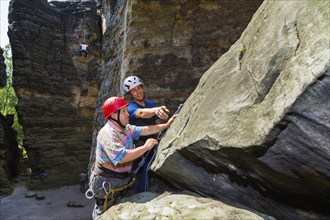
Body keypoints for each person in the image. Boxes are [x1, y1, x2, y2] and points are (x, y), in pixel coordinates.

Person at [86, 96, 176, 219]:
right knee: (103, 214)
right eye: (123, 111)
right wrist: (145, 147)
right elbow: (121, 158)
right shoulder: (107, 134)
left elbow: (144, 130)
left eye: (127, 110)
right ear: (113, 115)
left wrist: (165, 125)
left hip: (121, 179)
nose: (127, 114)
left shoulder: (125, 128)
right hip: (106, 183)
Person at [123, 75, 170, 193]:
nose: (138, 92)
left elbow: (155, 121)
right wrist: (155, 110)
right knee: (141, 170)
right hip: (139, 145)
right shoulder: (130, 107)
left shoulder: (151, 103)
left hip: (152, 141)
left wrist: (162, 132)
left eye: (139, 88)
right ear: (130, 94)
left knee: (149, 169)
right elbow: (142, 113)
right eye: (134, 90)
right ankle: (140, 195)